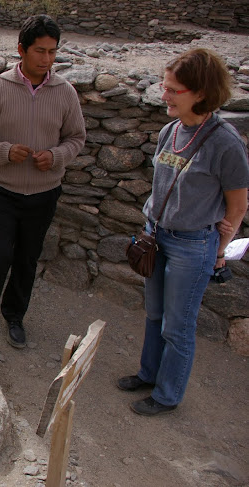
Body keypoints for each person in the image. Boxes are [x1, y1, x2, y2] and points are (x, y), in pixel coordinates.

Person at [118, 48, 249, 416]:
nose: (164, 96)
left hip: (194, 245)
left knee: (178, 326)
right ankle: (149, 374)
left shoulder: (226, 142)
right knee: (155, 313)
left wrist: (219, 250)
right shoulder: (170, 130)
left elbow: (237, 207)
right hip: (156, 237)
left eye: (174, 90)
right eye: (165, 87)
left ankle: (167, 395)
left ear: (201, 93)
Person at [0, 14, 86, 348]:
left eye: (52, 52)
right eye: (40, 51)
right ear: (21, 50)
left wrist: (55, 157)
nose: (47, 59)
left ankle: (15, 317)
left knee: (27, 259)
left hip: (44, 194)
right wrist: (4, 150)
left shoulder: (65, 92)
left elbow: (76, 139)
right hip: (2, 191)